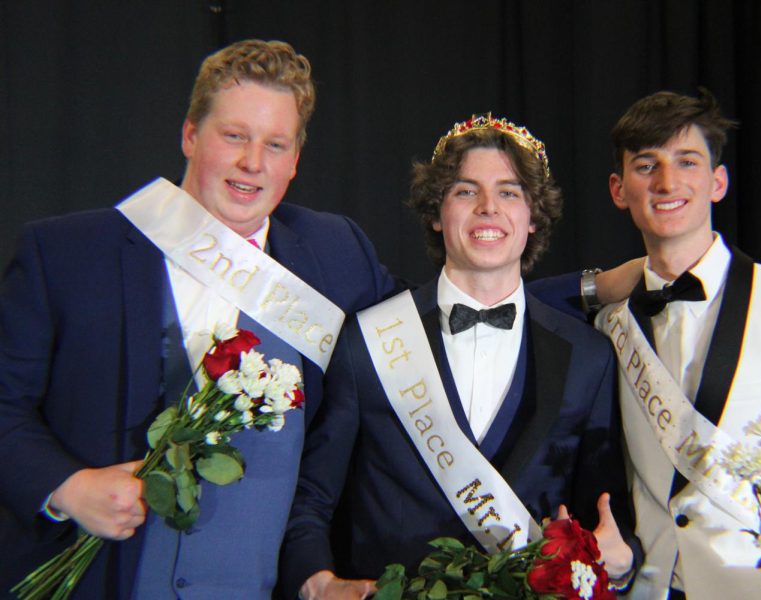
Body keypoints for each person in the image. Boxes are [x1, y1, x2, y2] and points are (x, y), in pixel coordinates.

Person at [0, 40, 394, 598]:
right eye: (234, 136)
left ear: (295, 160)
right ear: (190, 135)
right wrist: (65, 487)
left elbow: (421, 342)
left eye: (275, 144)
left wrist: (562, 305)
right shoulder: (64, 253)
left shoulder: (336, 253)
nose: (252, 163)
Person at [282, 114, 641, 599]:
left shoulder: (588, 356)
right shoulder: (368, 339)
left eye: (510, 192)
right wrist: (316, 583)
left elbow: (607, 521)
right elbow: (310, 498)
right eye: (466, 191)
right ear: (436, 212)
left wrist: (619, 567)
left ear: (533, 217)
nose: (488, 208)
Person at [562, 90, 761, 599]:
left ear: (717, 182)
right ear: (618, 189)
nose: (667, 182)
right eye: (647, 165)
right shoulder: (608, 326)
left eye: (687, 162)